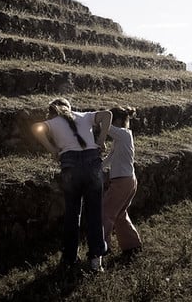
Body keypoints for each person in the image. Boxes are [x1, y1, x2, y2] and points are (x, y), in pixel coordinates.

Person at [31, 98, 112, 272]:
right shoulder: (83, 115)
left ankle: (69, 258)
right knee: (94, 213)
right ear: (69, 107)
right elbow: (107, 114)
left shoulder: (52, 122)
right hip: (92, 162)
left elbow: (35, 128)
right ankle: (95, 260)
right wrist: (101, 140)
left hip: (70, 165)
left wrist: (52, 150)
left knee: (72, 213)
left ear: (53, 111)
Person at [100, 105, 142, 259]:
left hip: (122, 181)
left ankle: (102, 247)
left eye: (111, 119)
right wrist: (97, 167)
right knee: (119, 214)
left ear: (116, 120)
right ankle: (132, 245)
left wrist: (97, 118)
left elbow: (106, 126)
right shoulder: (122, 139)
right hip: (128, 180)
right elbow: (110, 158)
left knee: (105, 212)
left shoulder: (124, 134)